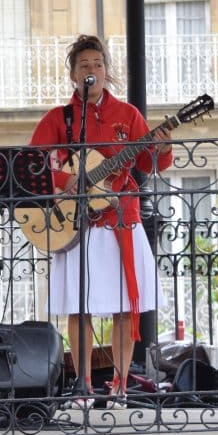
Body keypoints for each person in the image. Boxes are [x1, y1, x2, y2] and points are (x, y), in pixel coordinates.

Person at [31, 34, 172, 405]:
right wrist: (66, 181)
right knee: (80, 307)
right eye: (83, 65)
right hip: (77, 226)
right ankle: (83, 385)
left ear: (106, 71)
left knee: (126, 307)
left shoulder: (128, 116)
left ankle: (121, 384)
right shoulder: (58, 119)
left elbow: (149, 165)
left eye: (97, 64)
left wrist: (163, 145)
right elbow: (31, 166)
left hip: (121, 219)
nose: (91, 70)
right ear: (73, 75)